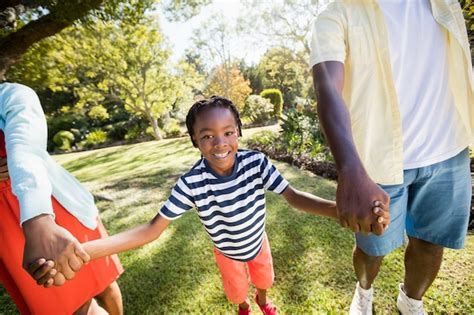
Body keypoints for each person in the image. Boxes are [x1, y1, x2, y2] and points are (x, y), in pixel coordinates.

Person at [33, 96, 389, 314]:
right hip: (227, 253)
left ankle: (263, 301)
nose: (220, 143)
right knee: (237, 291)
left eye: (228, 132)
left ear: (238, 132)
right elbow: (151, 230)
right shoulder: (191, 182)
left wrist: (339, 210)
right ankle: (245, 308)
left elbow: (294, 198)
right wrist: (84, 251)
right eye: (207, 136)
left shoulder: (257, 164)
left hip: (258, 243)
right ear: (194, 141)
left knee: (264, 278)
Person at [310, 1, 473, 314]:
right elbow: (327, 87)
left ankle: (411, 301)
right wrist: (350, 169)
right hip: (377, 162)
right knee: (371, 249)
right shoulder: (335, 14)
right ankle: (364, 291)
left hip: (449, 151)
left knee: (430, 242)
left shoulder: (444, 3)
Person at [0, 82, 124, 314]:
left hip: (55, 203)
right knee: (71, 304)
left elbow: (25, 148)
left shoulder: (10, 95)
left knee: (103, 281)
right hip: (6, 229)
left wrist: (38, 219)